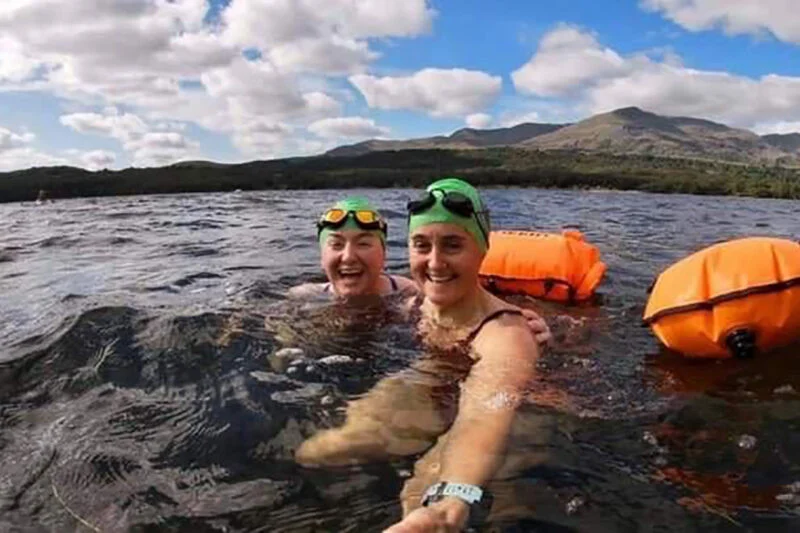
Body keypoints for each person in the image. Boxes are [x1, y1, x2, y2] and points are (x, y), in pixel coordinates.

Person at [296, 178, 542, 532]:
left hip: (510, 413)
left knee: (420, 494)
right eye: (422, 245)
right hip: (434, 380)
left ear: (482, 249)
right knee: (318, 452)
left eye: (453, 245)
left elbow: (483, 415)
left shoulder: (505, 336)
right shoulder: (413, 301)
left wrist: (451, 501)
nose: (435, 262)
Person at [288, 196, 551, 344]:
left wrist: (524, 328)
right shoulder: (303, 297)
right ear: (322, 256)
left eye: (364, 243)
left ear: (384, 253)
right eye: (336, 244)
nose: (348, 256)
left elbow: (464, 309)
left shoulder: (408, 292)